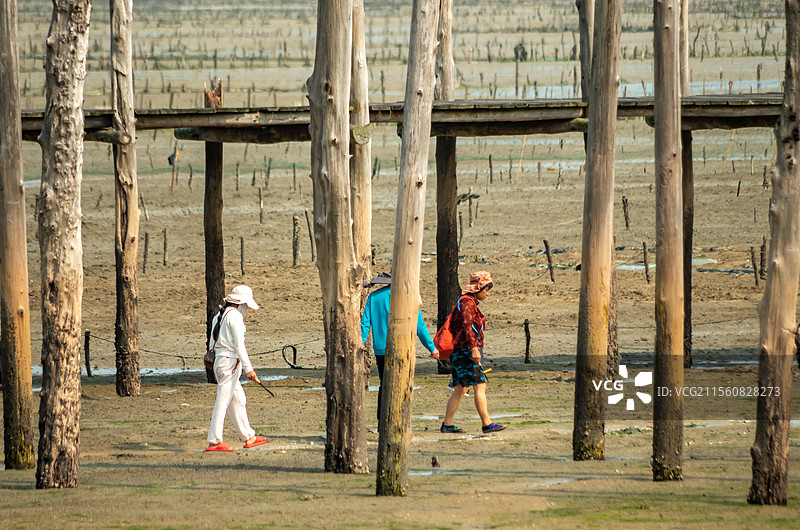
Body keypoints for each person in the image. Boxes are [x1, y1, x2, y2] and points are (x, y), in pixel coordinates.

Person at [435, 271, 506, 434]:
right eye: (486, 290)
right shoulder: (467, 302)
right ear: (478, 288)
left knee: (461, 387)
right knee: (480, 385)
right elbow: (467, 327)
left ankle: (447, 424)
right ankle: (486, 423)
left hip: (460, 351)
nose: (487, 294)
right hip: (466, 350)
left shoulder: (466, 301)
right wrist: (474, 349)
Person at [361, 272, 438, 422]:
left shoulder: (374, 297)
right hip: (402, 347)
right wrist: (432, 348)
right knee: (401, 383)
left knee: (385, 384)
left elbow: (365, 324)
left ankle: (382, 420)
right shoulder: (408, 298)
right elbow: (420, 326)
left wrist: (361, 344)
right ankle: (397, 419)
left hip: (380, 349)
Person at [206, 285, 268, 452]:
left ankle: (248, 436)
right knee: (223, 400)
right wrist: (250, 370)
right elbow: (240, 347)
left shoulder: (219, 315)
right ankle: (214, 440)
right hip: (229, 363)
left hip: (220, 361)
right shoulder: (235, 318)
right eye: (246, 305)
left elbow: (212, 342)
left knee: (238, 398)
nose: (247, 308)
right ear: (241, 303)